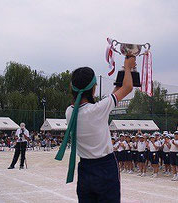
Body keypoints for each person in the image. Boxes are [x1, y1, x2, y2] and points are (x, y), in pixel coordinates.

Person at [55, 57, 134, 202]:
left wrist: (122, 73)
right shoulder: (98, 109)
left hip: (85, 168)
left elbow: (111, 97)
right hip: (105, 167)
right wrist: (128, 68)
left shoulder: (69, 112)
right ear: (93, 88)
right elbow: (128, 88)